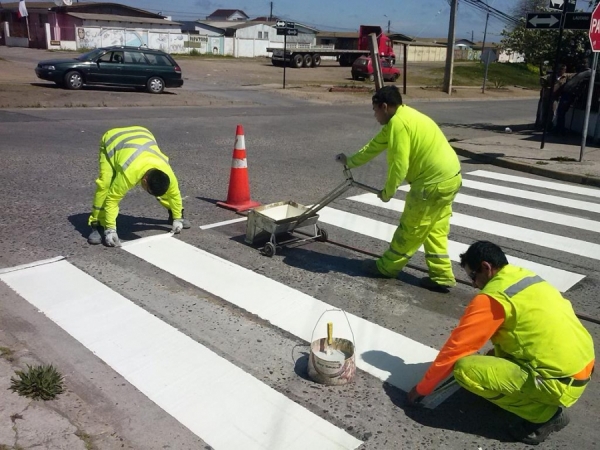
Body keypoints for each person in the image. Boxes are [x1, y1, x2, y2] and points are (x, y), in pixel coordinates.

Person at [407, 241, 595, 445]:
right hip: (582, 364)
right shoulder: (523, 276)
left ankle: (546, 415)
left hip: (559, 381)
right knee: (492, 358)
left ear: (486, 268)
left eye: (473, 276)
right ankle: (531, 393)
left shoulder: (492, 297)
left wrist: (423, 389)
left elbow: (457, 348)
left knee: (466, 371)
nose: (473, 284)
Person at [335, 85, 462, 293]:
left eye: (375, 110)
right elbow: (374, 146)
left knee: (410, 229)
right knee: (434, 229)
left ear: (384, 107)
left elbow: (398, 165)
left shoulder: (399, 125)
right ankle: (441, 275)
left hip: (430, 184)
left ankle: (386, 268)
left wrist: (388, 192)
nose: (374, 115)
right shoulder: (405, 116)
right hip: (451, 178)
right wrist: (350, 161)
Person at [87, 125, 190, 247]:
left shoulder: (166, 172)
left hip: (142, 134)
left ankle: (173, 214)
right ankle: (97, 223)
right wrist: (110, 229)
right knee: (105, 185)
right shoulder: (128, 173)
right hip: (112, 139)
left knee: (166, 191)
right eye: (148, 191)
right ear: (145, 180)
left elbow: (174, 194)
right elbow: (112, 200)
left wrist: (177, 217)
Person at [554, 60, 591, 134]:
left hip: (570, 94)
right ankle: (559, 128)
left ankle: (560, 129)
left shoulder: (588, 72)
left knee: (561, 111)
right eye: (582, 63)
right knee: (560, 111)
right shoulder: (580, 72)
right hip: (567, 93)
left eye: (584, 63)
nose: (582, 64)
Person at [535, 63, 569, 130]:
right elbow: (542, 79)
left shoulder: (565, 77)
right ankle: (542, 125)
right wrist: (546, 87)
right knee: (544, 111)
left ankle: (549, 125)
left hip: (555, 97)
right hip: (547, 96)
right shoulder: (551, 76)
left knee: (552, 111)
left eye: (564, 70)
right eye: (561, 69)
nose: (562, 71)